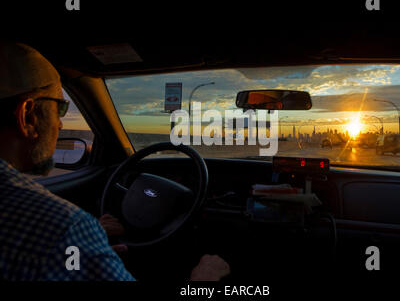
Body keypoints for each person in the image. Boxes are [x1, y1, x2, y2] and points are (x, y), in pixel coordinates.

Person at [0, 41, 230, 281]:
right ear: (27, 116)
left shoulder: (62, 236)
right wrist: (204, 279)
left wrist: (88, 254)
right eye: (59, 108)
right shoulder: (64, 227)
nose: (60, 124)